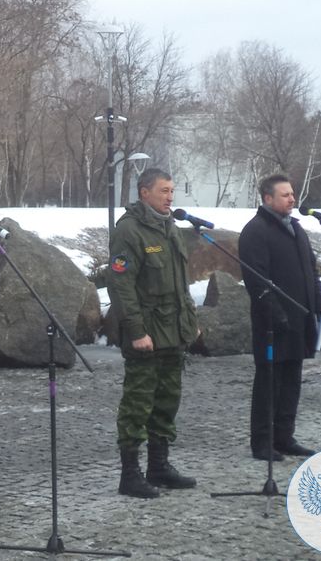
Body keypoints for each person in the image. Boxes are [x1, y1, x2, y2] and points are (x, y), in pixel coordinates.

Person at [108, 168, 198, 498]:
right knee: (138, 402)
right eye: (164, 191)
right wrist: (135, 330)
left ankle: (159, 467)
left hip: (173, 330)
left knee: (166, 401)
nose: (170, 197)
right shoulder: (129, 231)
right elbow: (120, 285)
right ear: (145, 192)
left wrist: (189, 320)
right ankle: (129, 474)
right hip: (146, 333)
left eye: (172, 191)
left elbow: (180, 283)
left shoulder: (170, 227)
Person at [238, 174, 321, 461]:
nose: (292, 199)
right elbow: (257, 281)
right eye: (285, 195)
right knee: (269, 382)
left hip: (300, 318)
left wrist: (319, 301)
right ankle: (263, 442)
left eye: (292, 194)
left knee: (292, 379)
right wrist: (277, 314)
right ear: (268, 199)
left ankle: (284, 436)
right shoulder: (255, 231)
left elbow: (310, 269)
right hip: (273, 324)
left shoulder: (296, 228)